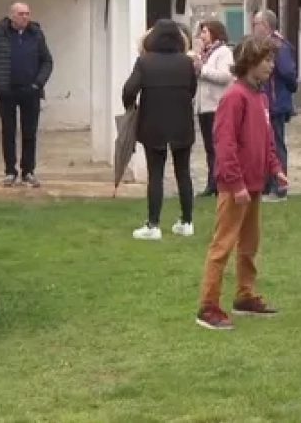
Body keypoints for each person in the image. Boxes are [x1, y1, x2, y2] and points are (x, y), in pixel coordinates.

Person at [195, 35, 287, 330]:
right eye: (267, 60)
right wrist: (236, 185)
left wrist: (275, 168)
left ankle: (244, 296)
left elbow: (266, 139)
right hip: (236, 188)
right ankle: (208, 307)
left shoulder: (259, 95)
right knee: (223, 245)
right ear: (250, 62)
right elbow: (225, 144)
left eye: (272, 59)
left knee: (249, 244)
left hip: (255, 184)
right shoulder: (234, 96)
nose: (272, 66)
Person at [122, 19, 198, 240]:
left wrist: (131, 106)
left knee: (156, 174)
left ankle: (153, 224)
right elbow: (192, 90)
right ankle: (186, 221)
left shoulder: (145, 62)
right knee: (183, 172)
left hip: (152, 123)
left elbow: (129, 89)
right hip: (182, 123)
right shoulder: (186, 63)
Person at [0, 2, 54, 188]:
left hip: (30, 91)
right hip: (6, 91)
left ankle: (28, 171)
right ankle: (10, 171)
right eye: (21, 14)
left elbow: (47, 61)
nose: (25, 17)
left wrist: (38, 83)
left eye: (27, 13)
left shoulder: (36, 34)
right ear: (11, 16)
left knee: (30, 132)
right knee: (8, 131)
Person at [252, 10, 298, 201]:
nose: (254, 28)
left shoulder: (279, 45)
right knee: (266, 143)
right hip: (267, 101)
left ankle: (280, 187)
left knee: (276, 144)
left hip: (276, 102)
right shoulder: (266, 44)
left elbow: (288, 73)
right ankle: (267, 184)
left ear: (265, 25)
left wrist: (283, 93)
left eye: (256, 24)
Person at [194, 20, 234, 198]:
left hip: (216, 105)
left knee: (218, 147)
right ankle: (212, 182)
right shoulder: (205, 54)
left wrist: (202, 69)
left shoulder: (224, 52)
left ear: (214, 33)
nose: (202, 36)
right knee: (210, 148)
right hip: (204, 107)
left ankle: (221, 182)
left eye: (205, 32)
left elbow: (225, 76)